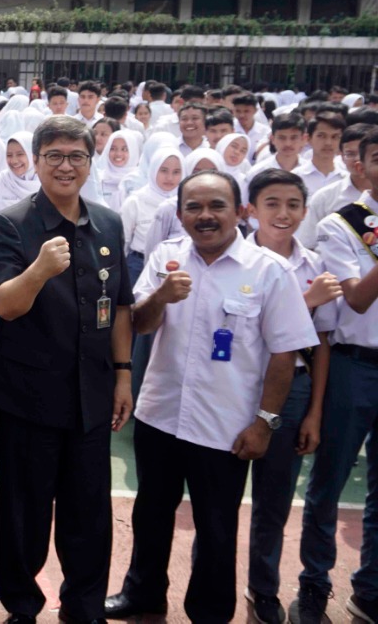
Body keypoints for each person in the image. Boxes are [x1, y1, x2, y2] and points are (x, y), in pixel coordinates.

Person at [105, 170, 316, 624]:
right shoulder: (166, 258)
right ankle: (142, 593)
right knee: (151, 515)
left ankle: (210, 612)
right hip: (161, 415)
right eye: (194, 207)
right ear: (179, 214)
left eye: (217, 206)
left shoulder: (268, 272)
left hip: (226, 426)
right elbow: (139, 324)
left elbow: (285, 353)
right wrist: (161, 294)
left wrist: (264, 422)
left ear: (239, 212)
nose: (205, 216)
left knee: (217, 528)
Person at [0, 116, 134, 624]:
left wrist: (123, 374)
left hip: (91, 397)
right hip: (30, 399)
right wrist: (40, 268)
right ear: (37, 160)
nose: (66, 166)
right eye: (55, 156)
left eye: (76, 156)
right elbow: (4, 304)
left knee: (88, 515)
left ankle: (84, 607)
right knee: (24, 514)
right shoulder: (10, 224)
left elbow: (119, 308)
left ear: (91, 162)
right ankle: (22, 607)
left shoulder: (108, 223)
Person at [242, 169, 342, 624]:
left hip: (293, 387)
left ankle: (263, 588)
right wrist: (307, 301)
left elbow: (318, 345)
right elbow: (248, 331)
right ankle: (210, 588)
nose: (283, 214)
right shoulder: (234, 257)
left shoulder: (315, 266)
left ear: (305, 211)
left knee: (275, 497)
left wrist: (314, 412)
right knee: (217, 494)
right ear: (252, 209)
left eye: (293, 205)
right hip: (235, 382)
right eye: (272, 204)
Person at [293, 129, 378, 624]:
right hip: (354, 364)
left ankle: (369, 588)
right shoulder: (344, 224)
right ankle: (314, 582)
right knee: (330, 479)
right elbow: (359, 298)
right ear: (361, 166)